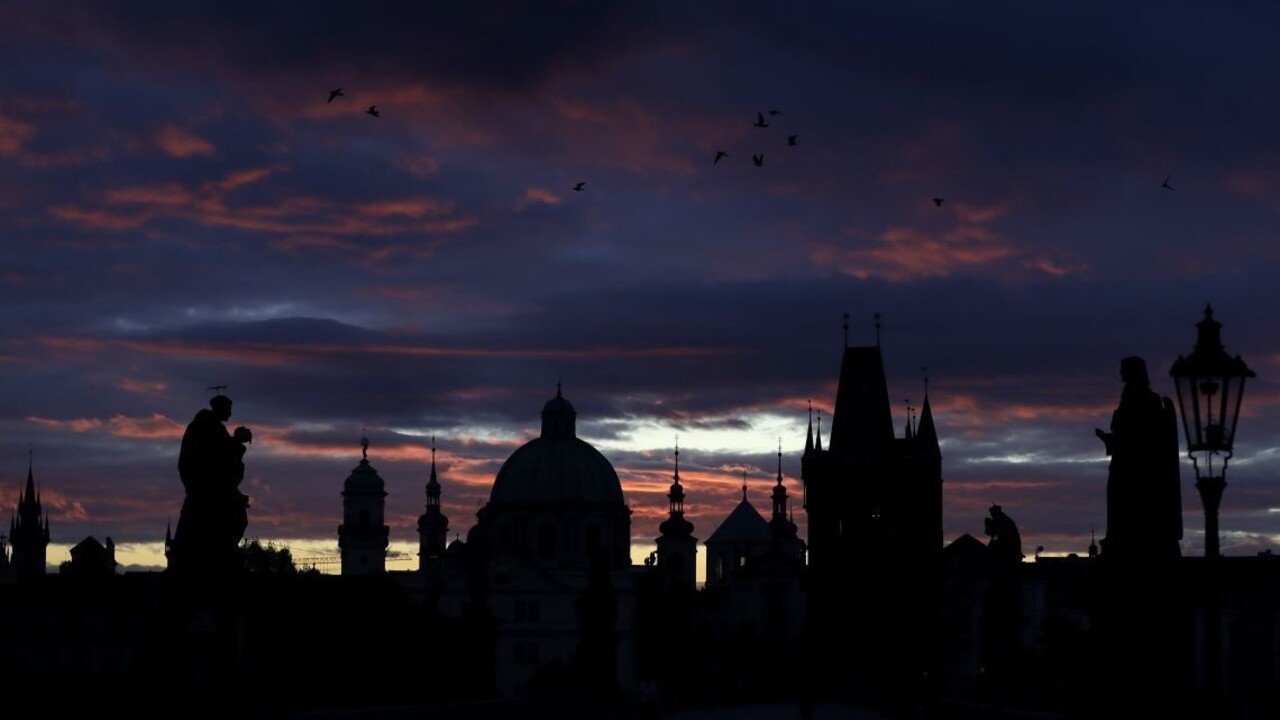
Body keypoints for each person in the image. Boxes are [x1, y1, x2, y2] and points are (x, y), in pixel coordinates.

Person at [1094, 356, 1182, 562]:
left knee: (1125, 503)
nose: (1120, 374)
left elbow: (1143, 440)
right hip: (1124, 465)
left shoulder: (1147, 401)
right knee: (1117, 503)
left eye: (1124, 369)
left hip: (1136, 472)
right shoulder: (1130, 398)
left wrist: (1114, 440)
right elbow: (1128, 435)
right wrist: (1109, 439)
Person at [170, 393, 253, 576]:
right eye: (228, 410)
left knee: (236, 518)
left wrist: (235, 443)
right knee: (234, 521)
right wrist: (237, 442)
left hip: (205, 487)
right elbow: (217, 457)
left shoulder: (209, 427)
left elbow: (221, 454)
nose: (230, 415)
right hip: (206, 488)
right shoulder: (208, 427)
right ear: (220, 408)